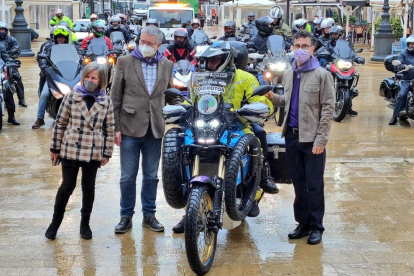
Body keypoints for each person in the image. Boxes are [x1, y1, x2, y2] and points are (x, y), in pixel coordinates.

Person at [172, 41, 276, 233]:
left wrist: (257, 109)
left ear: (227, 59)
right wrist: (184, 107)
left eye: (215, 60)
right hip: (205, 125)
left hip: (237, 125)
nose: (211, 64)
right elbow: (190, 100)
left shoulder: (245, 78)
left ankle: (258, 183)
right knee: (180, 149)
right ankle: (190, 213)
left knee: (259, 134)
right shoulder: (199, 78)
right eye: (208, 61)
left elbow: (261, 100)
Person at [265, 30, 335, 245]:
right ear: (292, 48)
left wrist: (321, 140)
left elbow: (328, 108)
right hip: (292, 138)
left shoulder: (322, 75)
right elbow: (287, 101)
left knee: (314, 185)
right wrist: (272, 96)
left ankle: (316, 226)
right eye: (297, 46)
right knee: (298, 183)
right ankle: (302, 223)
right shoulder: (289, 73)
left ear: (312, 48)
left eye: (305, 46)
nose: (301, 50)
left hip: (312, 140)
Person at [111, 26, 176, 233]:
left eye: (149, 43)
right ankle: (125, 216)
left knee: (151, 176)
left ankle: (149, 215)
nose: (144, 46)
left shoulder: (167, 65)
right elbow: (115, 97)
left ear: (158, 45)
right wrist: (116, 127)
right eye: (142, 41)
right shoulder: (125, 62)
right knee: (128, 176)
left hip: (155, 129)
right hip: (129, 128)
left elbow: (171, 94)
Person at [45, 62, 115, 240]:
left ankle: (85, 224)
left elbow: (109, 128)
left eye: (94, 78)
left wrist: (107, 152)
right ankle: (55, 223)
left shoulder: (106, 101)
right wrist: (54, 148)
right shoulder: (71, 96)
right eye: (87, 77)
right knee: (67, 186)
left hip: (93, 150)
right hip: (70, 148)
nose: (89, 80)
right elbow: (60, 123)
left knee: (88, 187)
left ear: (101, 81)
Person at [33, 26, 73, 129]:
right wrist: (45, 68)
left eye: (63, 38)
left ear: (66, 38)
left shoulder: (71, 48)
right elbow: (42, 58)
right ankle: (40, 118)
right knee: (44, 95)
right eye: (59, 37)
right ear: (55, 38)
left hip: (68, 76)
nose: (61, 39)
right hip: (53, 76)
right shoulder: (48, 47)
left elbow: (79, 58)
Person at [0, 22, 27, 107]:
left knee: (17, 77)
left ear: (6, 30)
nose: (1, 31)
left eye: (3, 30)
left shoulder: (11, 39)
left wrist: (13, 51)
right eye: (0, 30)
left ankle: (21, 99)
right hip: (0, 62)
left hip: (9, 61)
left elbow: (17, 47)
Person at [389, 36, 414, 125]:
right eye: (410, 44)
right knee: (402, 95)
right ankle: (394, 116)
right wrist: (403, 66)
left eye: (413, 44)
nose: (412, 45)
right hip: (407, 79)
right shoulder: (404, 53)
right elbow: (398, 64)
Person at [0, 43, 19, 125]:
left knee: (8, 90)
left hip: (0, 74)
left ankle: (11, 116)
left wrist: (10, 62)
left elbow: (6, 57)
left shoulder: (0, 46)